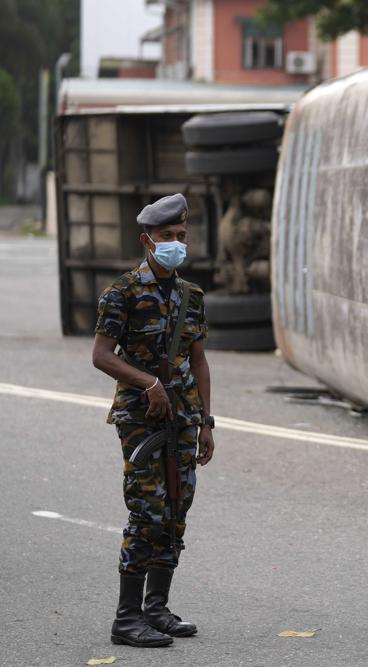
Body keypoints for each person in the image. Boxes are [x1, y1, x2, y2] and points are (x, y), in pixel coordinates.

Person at [92, 193, 215, 648]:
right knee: (147, 512)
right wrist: (148, 382)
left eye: (181, 237)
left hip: (183, 416)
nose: (176, 245)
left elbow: (199, 363)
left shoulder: (191, 295)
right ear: (147, 240)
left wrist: (206, 421)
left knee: (176, 509)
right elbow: (102, 356)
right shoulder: (121, 292)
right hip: (141, 418)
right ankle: (126, 619)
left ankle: (156, 608)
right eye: (167, 237)